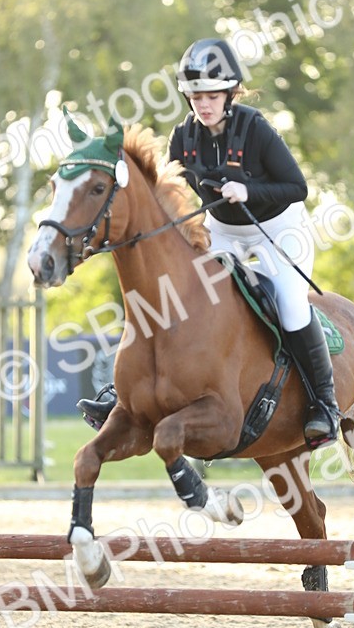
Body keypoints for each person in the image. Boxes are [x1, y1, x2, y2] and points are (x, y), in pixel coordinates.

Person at [78, 37, 340, 448]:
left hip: (277, 225)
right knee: (173, 290)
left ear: (230, 94)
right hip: (223, 230)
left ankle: (325, 405)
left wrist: (249, 191)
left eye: (212, 95)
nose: (204, 104)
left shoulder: (255, 129)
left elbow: (297, 187)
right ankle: (124, 395)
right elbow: (171, 199)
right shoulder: (182, 138)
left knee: (290, 302)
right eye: (196, 95)